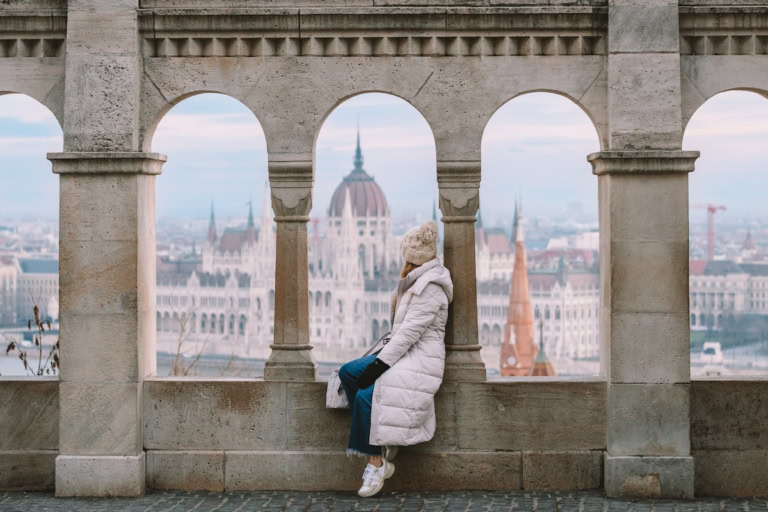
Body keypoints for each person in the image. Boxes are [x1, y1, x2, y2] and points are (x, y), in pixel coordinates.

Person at [338, 219, 453, 498]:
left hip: (420, 361)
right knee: (348, 372)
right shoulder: (415, 281)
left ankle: (375, 463)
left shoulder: (430, 288)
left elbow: (407, 335)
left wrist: (379, 365)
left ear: (412, 258)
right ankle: (378, 444)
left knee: (367, 394)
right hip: (402, 354)